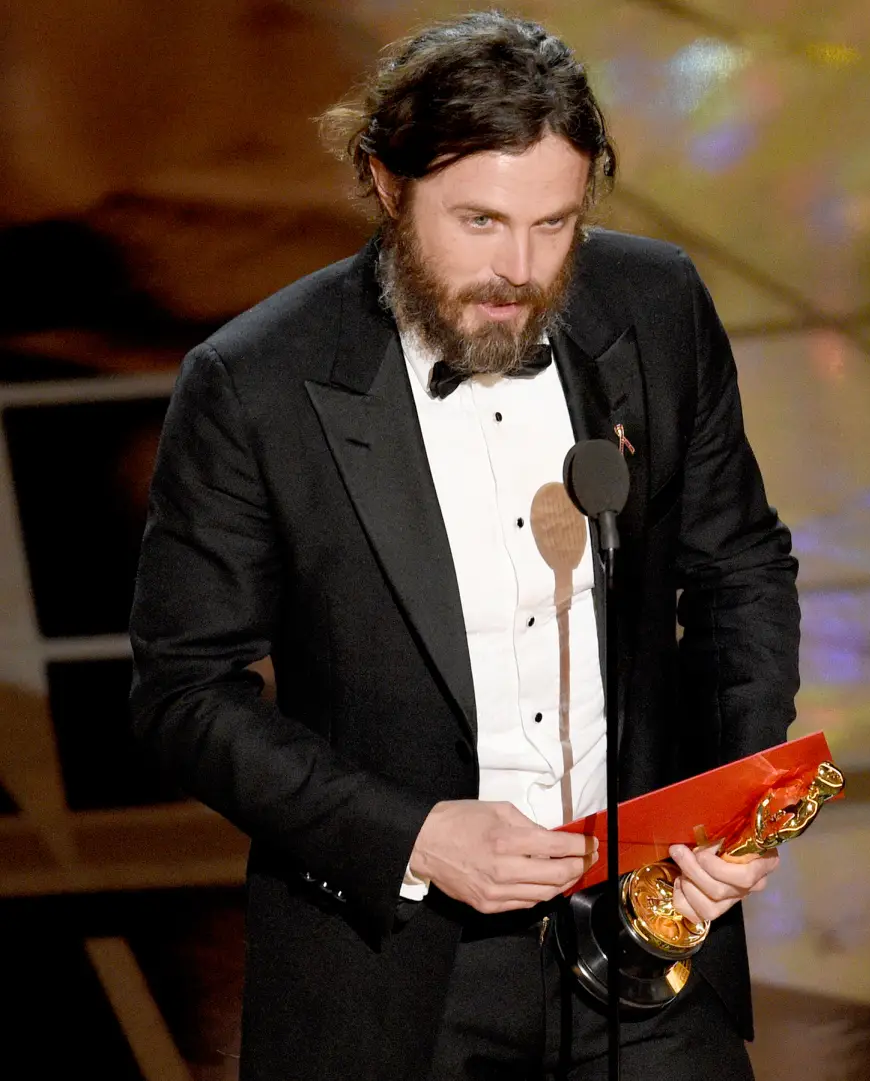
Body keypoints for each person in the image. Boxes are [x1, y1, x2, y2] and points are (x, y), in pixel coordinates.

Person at [129, 11, 800, 1080]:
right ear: (385, 184)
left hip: (650, 936)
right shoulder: (253, 382)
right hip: (393, 973)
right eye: (478, 221)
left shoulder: (654, 302)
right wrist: (415, 835)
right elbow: (184, 693)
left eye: (554, 224)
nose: (519, 271)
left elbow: (738, 566)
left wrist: (732, 801)